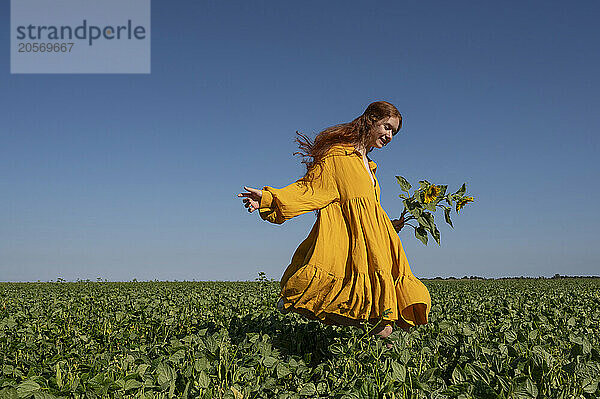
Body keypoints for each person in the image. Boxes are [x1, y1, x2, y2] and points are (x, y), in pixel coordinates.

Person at [237, 101, 431, 341]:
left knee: (384, 320)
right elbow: (310, 189)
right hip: (353, 249)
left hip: (377, 249)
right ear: (371, 120)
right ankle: (300, 300)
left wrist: (389, 225)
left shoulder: (370, 166)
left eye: (394, 132)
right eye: (387, 127)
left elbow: (368, 213)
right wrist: (268, 198)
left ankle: (373, 365)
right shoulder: (337, 156)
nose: (390, 136)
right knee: (381, 322)